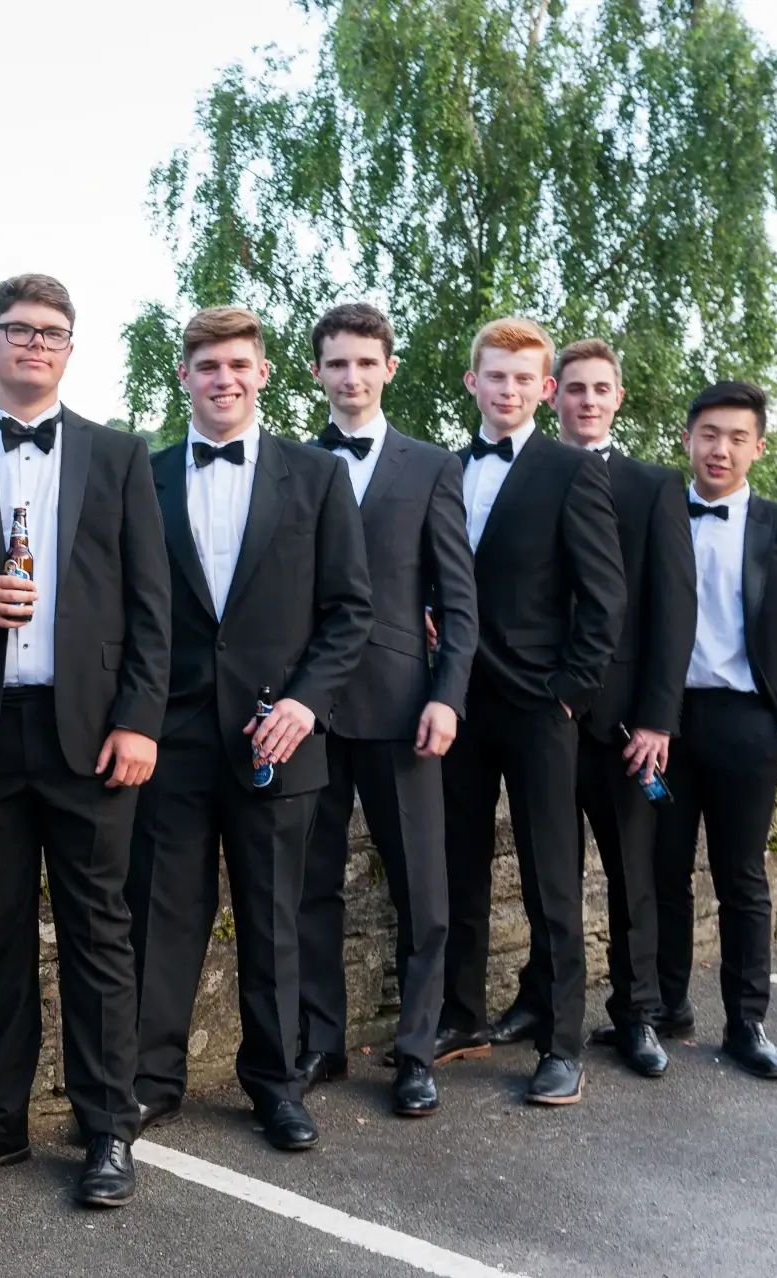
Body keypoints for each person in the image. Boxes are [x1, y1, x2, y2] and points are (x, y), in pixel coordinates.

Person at [0, 273, 172, 1209]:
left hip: (93, 732)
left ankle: (108, 1127)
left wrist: (141, 718)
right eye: (18, 330)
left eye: (53, 333)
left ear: (70, 350)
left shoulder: (119, 456)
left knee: (98, 933)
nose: (35, 344)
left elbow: (153, 605)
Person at [130, 306, 371, 1151]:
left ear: (264, 373)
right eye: (206, 366)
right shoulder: (145, 475)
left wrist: (307, 705)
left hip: (280, 736)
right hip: (174, 735)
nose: (223, 379)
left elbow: (350, 612)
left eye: (238, 364)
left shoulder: (317, 477)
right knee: (164, 916)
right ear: (186, 377)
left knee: (275, 920)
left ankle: (276, 1083)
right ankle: (151, 1082)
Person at [489, 339, 694, 1079]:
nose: (587, 401)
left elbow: (672, 609)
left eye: (600, 389)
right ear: (553, 395)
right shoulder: (522, 477)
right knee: (551, 869)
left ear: (618, 397)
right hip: (532, 710)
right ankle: (541, 997)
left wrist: (658, 718)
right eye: (574, 388)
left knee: (629, 872)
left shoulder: (651, 486)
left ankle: (636, 1012)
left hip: (618, 721)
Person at [294, 303, 476, 1118]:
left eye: (366, 362)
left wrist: (448, 695)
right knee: (309, 887)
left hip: (404, 709)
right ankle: (321, 1043)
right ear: (316, 372)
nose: (352, 376)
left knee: (421, 893)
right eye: (337, 363)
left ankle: (414, 1050)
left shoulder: (432, 466)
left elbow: (459, 601)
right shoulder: (292, 463)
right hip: (308, 714)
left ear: (389, 368)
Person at [437, 317, 625, 1105]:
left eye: (523, 379)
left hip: (541, 706)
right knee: (457, 866)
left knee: (554, 874)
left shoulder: (568, 472)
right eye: (495, 376)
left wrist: (570, 695)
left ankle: (563, 1043)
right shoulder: (443, 467)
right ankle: (460, 1016)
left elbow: (604, 598)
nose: (508, 390)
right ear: (474, 382)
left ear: (543, 390)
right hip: (453, 703)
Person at [652, 381, 777, 1080]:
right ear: (686, 439)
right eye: (708, 434)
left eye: (736, 437)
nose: (720, 448)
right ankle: (666, 1008)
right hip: (665, 724)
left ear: (758, 447)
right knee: (663, 873)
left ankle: (746, 1023)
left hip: (748, 723)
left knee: (742, 878)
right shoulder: (659, 516)